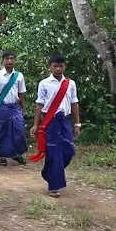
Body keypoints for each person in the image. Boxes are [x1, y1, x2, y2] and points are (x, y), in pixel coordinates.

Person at [31, 54, 81, 198]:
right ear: (50, 67)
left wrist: (77, 123)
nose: (58, 69)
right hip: (49, 121)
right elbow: (39, 105)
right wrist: (36, 125)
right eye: (55, 66)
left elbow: (74, 103)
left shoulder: (70, 84)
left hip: (64, 121)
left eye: (61, 66)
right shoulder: (44, 83)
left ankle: (48, 172)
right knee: (53, 153)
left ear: (64, 66)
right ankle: (54, 186)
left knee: (69, 151)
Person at [0, 51, 27, 166]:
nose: (9, 61)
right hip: (2, 107)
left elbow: (21, 93)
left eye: (11, 58)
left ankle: (16, 154)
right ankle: (3, 156)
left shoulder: (19, 76)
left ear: (15, 60)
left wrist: (23, 109)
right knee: (3, 131)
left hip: (15, 107)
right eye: (7, 59)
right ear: (3, 61)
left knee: (19, 130)